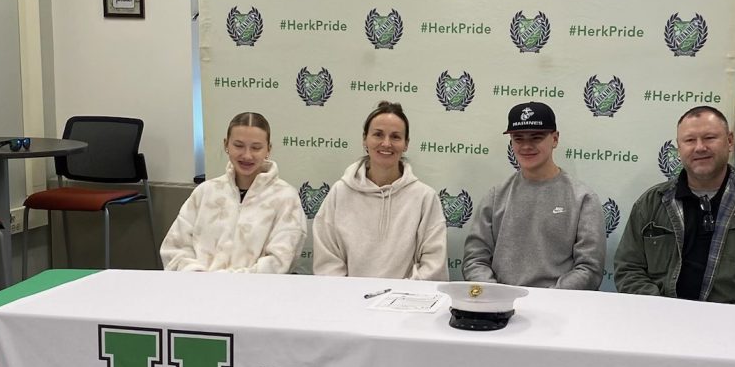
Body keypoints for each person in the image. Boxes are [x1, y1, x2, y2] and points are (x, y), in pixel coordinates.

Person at [614, 106, 735, 306]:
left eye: (709, 138)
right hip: (661, 321)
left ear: (729, 141)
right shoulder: (650, 203)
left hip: (734, 326)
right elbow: (628, 268)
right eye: (690, 140)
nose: (700, 147)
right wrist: (660, 309)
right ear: (679, 148)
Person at [463, 101, 605, 289]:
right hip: (501, 308)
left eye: (536, 137)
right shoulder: (496, 196)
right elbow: (475, 260)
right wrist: (497, 296)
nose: (526, 146)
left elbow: (589, 268)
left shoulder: (583, 199)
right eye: (518, 138)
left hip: (559, 310)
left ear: (555, 139)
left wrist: (548, 300)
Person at [312, 101, 448, 280]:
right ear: (365, 139)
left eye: (395, 137)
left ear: (406, 144)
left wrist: (402, 299)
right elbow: (327, 260)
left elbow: (433, 263)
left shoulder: (425, 197)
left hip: (406, 303)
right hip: (347, 303)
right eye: (378, 134)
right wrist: (347, 298)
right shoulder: (340, 192)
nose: (386, 143)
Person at [161, 111, 306, 273]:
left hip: (257, 295)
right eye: (238, 145)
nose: (247, 155)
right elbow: (174, 248)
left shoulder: (285, 198)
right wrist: (200, 278)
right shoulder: (205, 192)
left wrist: (229, 283)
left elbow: (280, 260)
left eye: (256, 147)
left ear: (268, 150)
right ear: (226, 145)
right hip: (201, 291)